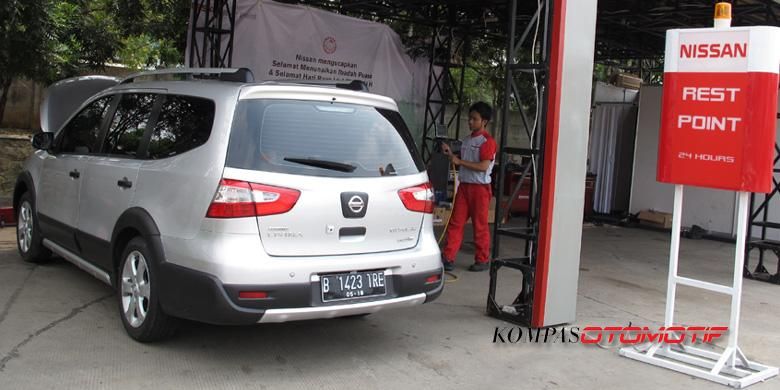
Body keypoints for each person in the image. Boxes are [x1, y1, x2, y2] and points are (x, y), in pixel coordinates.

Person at [440, 102, 497, 272]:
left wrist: (459, 161)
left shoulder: (488, 141)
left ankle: (482, 260)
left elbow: (483, 166)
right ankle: (448, 257)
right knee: (455, 222)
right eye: (469, 118)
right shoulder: (466, 140)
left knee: (480, 225)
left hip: (480, 189)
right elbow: (461, 162)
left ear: (484, 121)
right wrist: (451, 155)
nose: (470, 122)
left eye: (474, 119)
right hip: (464, 187)